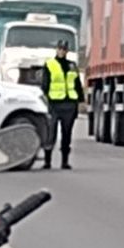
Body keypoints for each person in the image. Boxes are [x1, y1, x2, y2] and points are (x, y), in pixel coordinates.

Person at [38, 39, 81, 169]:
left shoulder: (72, 66)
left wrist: (79, 101)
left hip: (69, 104)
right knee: (51, 133)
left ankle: (65, 161)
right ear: (56, 50)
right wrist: (46, 100)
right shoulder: (50, 65)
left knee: (67, 134)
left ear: (67, 51)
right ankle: (47, 161)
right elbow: (45, 84)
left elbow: (77, 85)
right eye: (60, 49)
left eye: (64, 49)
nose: (62, 51)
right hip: (54, 104)